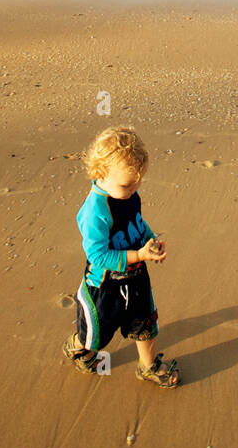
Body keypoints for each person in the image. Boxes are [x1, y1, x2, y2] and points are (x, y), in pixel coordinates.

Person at [63, 125, 180, 387]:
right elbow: (98, 256)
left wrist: (150, 240)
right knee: (95, 335)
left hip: (136, 277)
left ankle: (148, 366)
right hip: (104, 287)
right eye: (128, 184)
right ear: (101, 173)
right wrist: (139, 254)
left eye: (138, 182)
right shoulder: (95, 211)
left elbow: (136, 222)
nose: (133, 189)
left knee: (145, 323)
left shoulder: (128, 194)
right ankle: (78, 348)